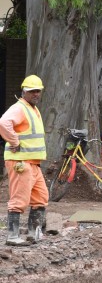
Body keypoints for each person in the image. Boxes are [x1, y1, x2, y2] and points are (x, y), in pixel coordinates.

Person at [2, 75, 49, 246]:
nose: (36, 94)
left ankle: (33, 234)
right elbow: (3, 122)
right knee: (19, 199)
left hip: (32, 163)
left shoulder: (32, 109)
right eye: (32, 91)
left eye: (38, 91)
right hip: (20, 162)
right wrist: (14, 141)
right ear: (24, 92)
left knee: (41, 198)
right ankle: (12, 236)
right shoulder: (20, 108)